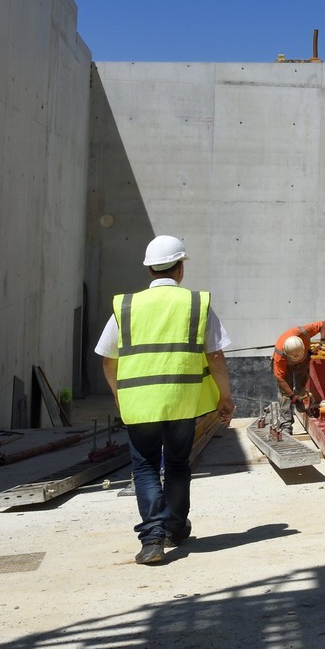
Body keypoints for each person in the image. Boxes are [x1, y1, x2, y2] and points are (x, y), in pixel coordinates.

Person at [96, 235, 233, 565]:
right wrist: (224, 397)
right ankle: (173, 527)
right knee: (176, 464)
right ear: (180, 268)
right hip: (182, 402)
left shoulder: (126, 307)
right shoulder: (196, 305)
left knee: (144, 467)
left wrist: (119, 395)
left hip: (140, 404)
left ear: (149, 270)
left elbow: (107, 358)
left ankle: (153, 539)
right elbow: (214, 356)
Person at [271, 321, 325, 429]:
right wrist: (292, 396)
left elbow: (323, 324)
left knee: (302, 386)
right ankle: (286, 424)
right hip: (285, 367)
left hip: (304, 361)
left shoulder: (303, 333)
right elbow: (280, 378)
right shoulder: (280, 355)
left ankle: (302, 408)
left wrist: (323, 342)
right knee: (285, 394)